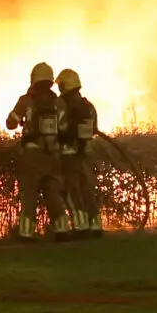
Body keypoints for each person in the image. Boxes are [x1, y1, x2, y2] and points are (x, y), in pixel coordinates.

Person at [3, 61, 63, 238]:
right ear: (51, 81)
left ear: (33, 80)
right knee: (53, 193)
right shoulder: (59, 103)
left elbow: (10, 123)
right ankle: (62, 229)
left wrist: (23, 120)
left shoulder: (26, 101)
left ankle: (26, 231)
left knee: (29, 193)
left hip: (32, 155)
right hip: (53, 154)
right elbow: (65, 128)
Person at [55, 68, 103, 239]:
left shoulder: (61, 104)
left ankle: (81, 225)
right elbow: (94, 128)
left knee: (71, 190)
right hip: (85, 154)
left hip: (68, 155)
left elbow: (57, 127)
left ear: (63, 86)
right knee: (87, 189)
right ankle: (96, 224)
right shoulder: (88, 106)